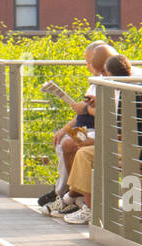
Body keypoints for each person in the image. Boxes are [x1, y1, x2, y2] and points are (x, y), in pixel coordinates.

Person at [56, 52, 142, 226]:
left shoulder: (130, 93)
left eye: (105, 74)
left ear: (110, 74)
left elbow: (124, 133)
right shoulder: (126, 88)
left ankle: (85, 206)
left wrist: (94, 139)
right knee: (78, 146)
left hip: (134, 146)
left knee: (84, 154)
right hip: (126, 141)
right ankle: (73, 198)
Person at [38, 41, 113, 212]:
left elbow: (104, 113)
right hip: (86, 126)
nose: (88, 67)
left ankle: (70, 195)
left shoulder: (110, 78)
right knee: (64, 139)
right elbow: (84, 111)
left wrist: (86, 108)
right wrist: (64, 128)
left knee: (70, 143)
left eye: (90, 63)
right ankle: (65, 191)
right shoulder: (96, 81)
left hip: (98, 129)